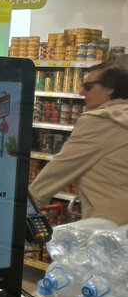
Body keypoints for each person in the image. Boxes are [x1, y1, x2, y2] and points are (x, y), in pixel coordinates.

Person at [30, 61, 128, 224]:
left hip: (110, 229)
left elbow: (59, 170)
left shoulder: (101, 121)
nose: (82, 92)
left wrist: (25, 207)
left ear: (110, 88)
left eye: (88, 87)